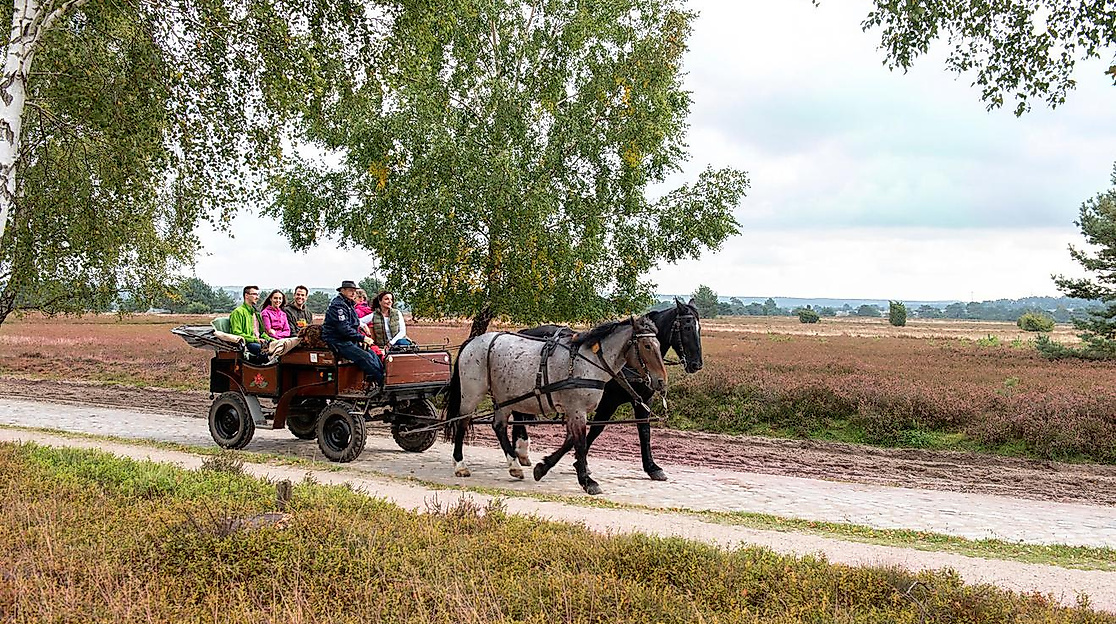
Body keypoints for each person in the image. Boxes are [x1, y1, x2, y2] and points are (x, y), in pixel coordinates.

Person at [322, 280, 384, 388]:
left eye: (354, 291)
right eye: (350, 291)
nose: (353, 293)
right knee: (365, 358)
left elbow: (355, 324)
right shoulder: (338, 306)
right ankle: (382, 384)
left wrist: (360, 338)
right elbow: (344, 329)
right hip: (338, 341)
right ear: (342, 291)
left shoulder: (349, 305)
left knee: (373, 355)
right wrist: (362, 338)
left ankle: (381, 380)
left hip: (348, 339)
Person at [229, 285, 273, 362]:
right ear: (246, 295)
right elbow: (236, 333)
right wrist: (255, 340)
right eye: (254, 294)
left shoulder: (256, 313)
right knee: (265, 351)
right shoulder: (237, 312)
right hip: (248, 343)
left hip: (259, 342)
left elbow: (261, 333)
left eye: (257, 294)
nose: (257, 297)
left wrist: (273, 340)